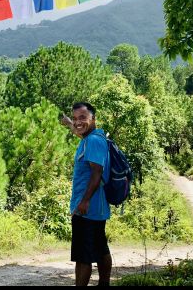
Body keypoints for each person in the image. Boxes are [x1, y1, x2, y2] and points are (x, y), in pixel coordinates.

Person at [61, 102, 112, 287]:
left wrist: (84, 202)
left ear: (93, 119)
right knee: (100, 248)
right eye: (75, 118)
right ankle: (104, 284)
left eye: (82, 117)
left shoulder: (93, 141)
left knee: (83, 257)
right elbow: (79, 131)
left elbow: (96, 173)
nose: (78, 122)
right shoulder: (92, 138)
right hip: (96, 208)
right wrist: (69, 123)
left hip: (87, 208)